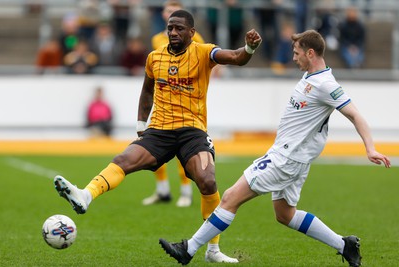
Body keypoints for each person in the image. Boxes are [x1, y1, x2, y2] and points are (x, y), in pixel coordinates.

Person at [159, 29, 391, 267]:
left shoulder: (325, 84)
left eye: (296, 52)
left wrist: (370, 148)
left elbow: (355, 115)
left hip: (286, 158)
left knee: (230, 197)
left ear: (310, 53)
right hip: (292, 157)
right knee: (285, 214)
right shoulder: (312, 76)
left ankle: (189, 249)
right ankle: (345, 245)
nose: (293, 58)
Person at [53, 9, 262, 263]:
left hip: (192, 131)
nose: (173, 32)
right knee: (123, 160)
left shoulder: (204, 51)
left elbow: (237, 57)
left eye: (179, 29)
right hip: (160, 129)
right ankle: (85, 195)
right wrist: (142, 126)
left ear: (191, 33)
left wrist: (249, 48)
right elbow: (147, 90)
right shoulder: (154, 57)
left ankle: (213, 250)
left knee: (207, 181)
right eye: (170, 28)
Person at [144, 0, 206, 208]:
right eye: (168, 11)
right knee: (152, 142)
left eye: (173, 11)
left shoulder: (194, 37)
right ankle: (162, 190)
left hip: (186, 98)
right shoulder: (156, 40)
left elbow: (201, 59)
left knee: (183, 147)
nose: (170, 14)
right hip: (163, 97)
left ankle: (186, 192)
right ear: (163, 15)